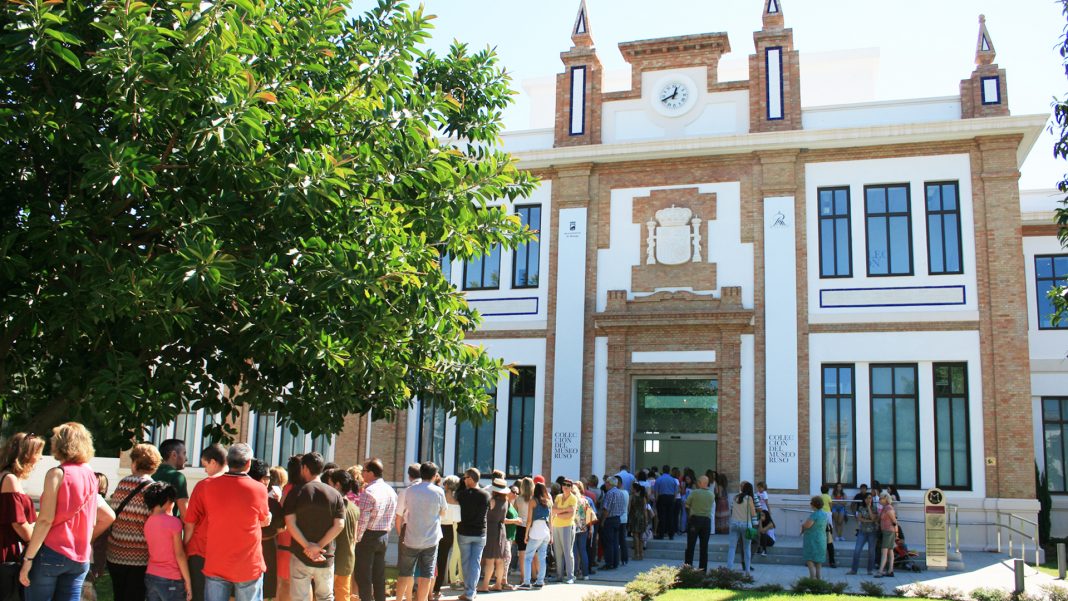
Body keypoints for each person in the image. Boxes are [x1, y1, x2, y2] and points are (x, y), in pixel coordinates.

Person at [19, 422, 116, 601]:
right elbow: (100, 517)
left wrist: (28, 559)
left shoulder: (57, 474)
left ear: (60, 444)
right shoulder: (90, 474)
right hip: (80, 555)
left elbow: (45, 520)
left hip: (52, 551)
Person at [186, 443, 270, 601]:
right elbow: (264, 520)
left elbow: (190, 521)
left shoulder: (207, 486)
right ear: (248, 463)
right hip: (248, 563)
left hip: (216, 561)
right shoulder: (259, 488)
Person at [284, 453, 345, 601]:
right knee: (325, 597)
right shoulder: (335, 494)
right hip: (325, 554)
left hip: (300, 553)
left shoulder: (296, 492)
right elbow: (339, 525)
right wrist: (318, 546)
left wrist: (307, 547)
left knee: (300, 597)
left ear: (304, 468)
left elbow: (289, 523)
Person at [107, 443, 163, 601]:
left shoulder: (123, 484)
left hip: (115, 552)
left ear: (135, 463)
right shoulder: (155, 489)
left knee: (119, 594)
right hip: (141, 555)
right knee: (136, 595)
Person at [0, 433, 44, 601]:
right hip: (7, 552)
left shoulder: (8, 477)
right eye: (37, 453)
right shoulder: (9, 479)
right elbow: (18, 523)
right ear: (26, 454)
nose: (39, 458)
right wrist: (38, 544)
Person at [182, 443, 226, 601]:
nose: (205, 470)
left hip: (200, 549)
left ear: (213, 462)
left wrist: (184, 547)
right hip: (225, 551)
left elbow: (190, 523)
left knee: (199, 594)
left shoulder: (204, 486)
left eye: (205, 465)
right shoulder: (239, 486)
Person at [395, 463, 446, 601]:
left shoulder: (410, 491)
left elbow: (400, 514)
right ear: (435, 476)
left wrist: (400, 533)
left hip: (411, 537)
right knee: (426, 574)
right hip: (431, 538)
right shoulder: (439, 491)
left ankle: (399, 599)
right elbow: (443, 512)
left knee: (405, 573)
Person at [354, 459, 396, 601]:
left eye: (364, 471)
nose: (362, 474)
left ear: (371, 473)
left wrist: (357, 539)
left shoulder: (369, 492)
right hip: (383, 535)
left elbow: (362, 520)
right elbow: (392, 515)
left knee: (363, 576)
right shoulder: (390, 490)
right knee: (379, 576)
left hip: (368, 536)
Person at [142, 482, 191, 601]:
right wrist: (188, 582)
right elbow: (179, 554)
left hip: (151, 575)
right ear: (168, 501)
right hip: (171, 578)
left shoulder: (148, 522)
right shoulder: (174, 522)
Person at [248, 460, 284, 601]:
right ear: (263, 479)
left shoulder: (243, 498)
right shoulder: (272, 503)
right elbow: (282, 527)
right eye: (268, 478)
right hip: (267, 546)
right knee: (268, 589)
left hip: (248, 545)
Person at [454, 468, 490, 601]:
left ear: (471, 478)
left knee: (465, 563)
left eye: (465, 477)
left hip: (464, 532)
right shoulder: (486, 495)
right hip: (480, 532)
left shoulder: (462, 495)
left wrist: (461, 485)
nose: (463, 480)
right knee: (475, 563)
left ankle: (469, 591)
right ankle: (470, 591)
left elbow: (456, 496)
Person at [323, 469, 357, 601]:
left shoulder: (332, 506)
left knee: (323, 594)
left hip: (332, 556)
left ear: (337, 485)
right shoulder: (354, 508)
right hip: (348, 557)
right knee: (343, 594)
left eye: (329, 483)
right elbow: (354, 537)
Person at [433, 476, 461, 601]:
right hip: (449, 530)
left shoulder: (439, 496)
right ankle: (437, 589)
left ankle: (430, 585)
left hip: (438, 527)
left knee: (432, 558)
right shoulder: (457, 501)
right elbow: (457, 519)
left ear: (446, 485)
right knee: (443, 559)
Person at [479, 479, 510, 592]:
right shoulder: (506, 501)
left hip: (491, 530)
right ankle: (498, 584)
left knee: (490, 559)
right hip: (501, 529)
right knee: (500, 559)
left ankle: (485, 585)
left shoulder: (492, 501)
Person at [518, 483, 551, 590]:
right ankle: (540, 581)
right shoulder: (548, 501)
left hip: (536, 530)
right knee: (542, 558)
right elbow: (551, 521)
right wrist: (551, 535)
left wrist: (526, 535)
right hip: (546, 531)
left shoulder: (533, 501)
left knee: (528, 557)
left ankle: (526, 582)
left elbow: (528, 520)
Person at [725, 481, 757, 574]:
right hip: (745, 524)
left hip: (734, 524)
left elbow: (732, 510)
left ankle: (729, 569)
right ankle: (747, 570)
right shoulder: (749, 498)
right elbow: (753, 513)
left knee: (732, 548)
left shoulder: (735, 497)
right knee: (746, 548)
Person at [683, 475, 714, 571]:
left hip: (695, 520)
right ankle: (703, 570)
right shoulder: (711, 494)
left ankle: (688, 567)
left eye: (698, 482)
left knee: (691, 545)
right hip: (706, 521)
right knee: (704, 547)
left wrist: (689, 516)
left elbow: (687, 505)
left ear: (700, 483)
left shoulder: (694, 493)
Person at [154, 440, 189, 517]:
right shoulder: (177, 477)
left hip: (148, 526)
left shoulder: (151, 473)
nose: (186, 459)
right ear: (174, 455)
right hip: (169, 526)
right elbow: (185, 513)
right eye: (184, 453)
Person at [848, 492, 878, 575]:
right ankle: (854, 570)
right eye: (867, 498)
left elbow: (874, 518)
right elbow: (860, 519)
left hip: (872, 532)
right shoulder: (860, 508)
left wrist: (869, 508)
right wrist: (870, 520)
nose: (869, 500)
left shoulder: (874, 508)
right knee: (857, 550)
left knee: (871, 552)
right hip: (862, 532)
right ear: (864, 500)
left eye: (870, 498)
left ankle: (870, 570)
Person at [598, 477, 625, 571]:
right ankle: (615, 562)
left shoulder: (609, 493)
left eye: (606, 483)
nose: (605, 484)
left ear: (610, 484)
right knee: (615, 542)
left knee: (608, 542)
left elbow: (606, 509)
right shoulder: (620, 493)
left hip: (609, 519)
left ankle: (609, 563)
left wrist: (603, 521)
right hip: (617, 519)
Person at [571, 481, 594, 581]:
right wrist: (591, 528)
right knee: (583, 551)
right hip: (583, 528)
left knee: (574, 552)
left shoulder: (571, 501)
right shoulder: (585, 501)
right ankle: (585, 574)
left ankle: (575, 573)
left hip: (572, 528)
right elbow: (590, 516)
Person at [512, 478, 533, 587]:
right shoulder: (534, 499)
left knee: (521, 553)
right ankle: (534, 576)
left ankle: (523, 577)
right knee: (533, 554)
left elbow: (515, 514)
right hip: (532, 527)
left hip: (520, 527)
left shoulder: (518, 499)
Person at [801, 496, 828, 580]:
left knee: (810, 559)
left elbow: (807, 525)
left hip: (812, 539)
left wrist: (802, 526)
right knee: (818, 561)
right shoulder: (824, 514)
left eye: (811, 503)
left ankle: (812, 578)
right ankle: (819, 578)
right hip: (822, 538)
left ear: (814, 504)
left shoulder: (814, 515)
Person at [874, 492, 898, 578]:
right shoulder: (885, 508)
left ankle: (881, 571)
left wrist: (896, 533)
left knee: (884, 551)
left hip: (889, 531)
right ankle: (890, 570)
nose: (879, 500)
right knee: (890, 551)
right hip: (886, 531)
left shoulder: (888, 508)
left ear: (886, 498)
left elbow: (894, 521)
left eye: (881, 498)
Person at [652, 466, 677, 540]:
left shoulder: (659, 479)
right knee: (670, 517)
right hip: (671, 498)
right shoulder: (673, 480)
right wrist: (674, 499)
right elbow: (675, 491)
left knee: (662, 517)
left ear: (662, 470)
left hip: (662, 498)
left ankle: (661, 534)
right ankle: (671, 534)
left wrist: (656, 501)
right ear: (669, 471)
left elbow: (656, 492)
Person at [627, 483, 648, 561]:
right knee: (641, 536)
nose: (631, 489)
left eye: (632, 488)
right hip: (642, 517)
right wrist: (646, 520)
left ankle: (637, 554)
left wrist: (628, 518)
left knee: (635, 536)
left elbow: (629, 509)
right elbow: (645, 510)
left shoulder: (631, 497)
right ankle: (641, 553)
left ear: (635, 489)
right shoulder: (643, 498)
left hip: (634, 517)